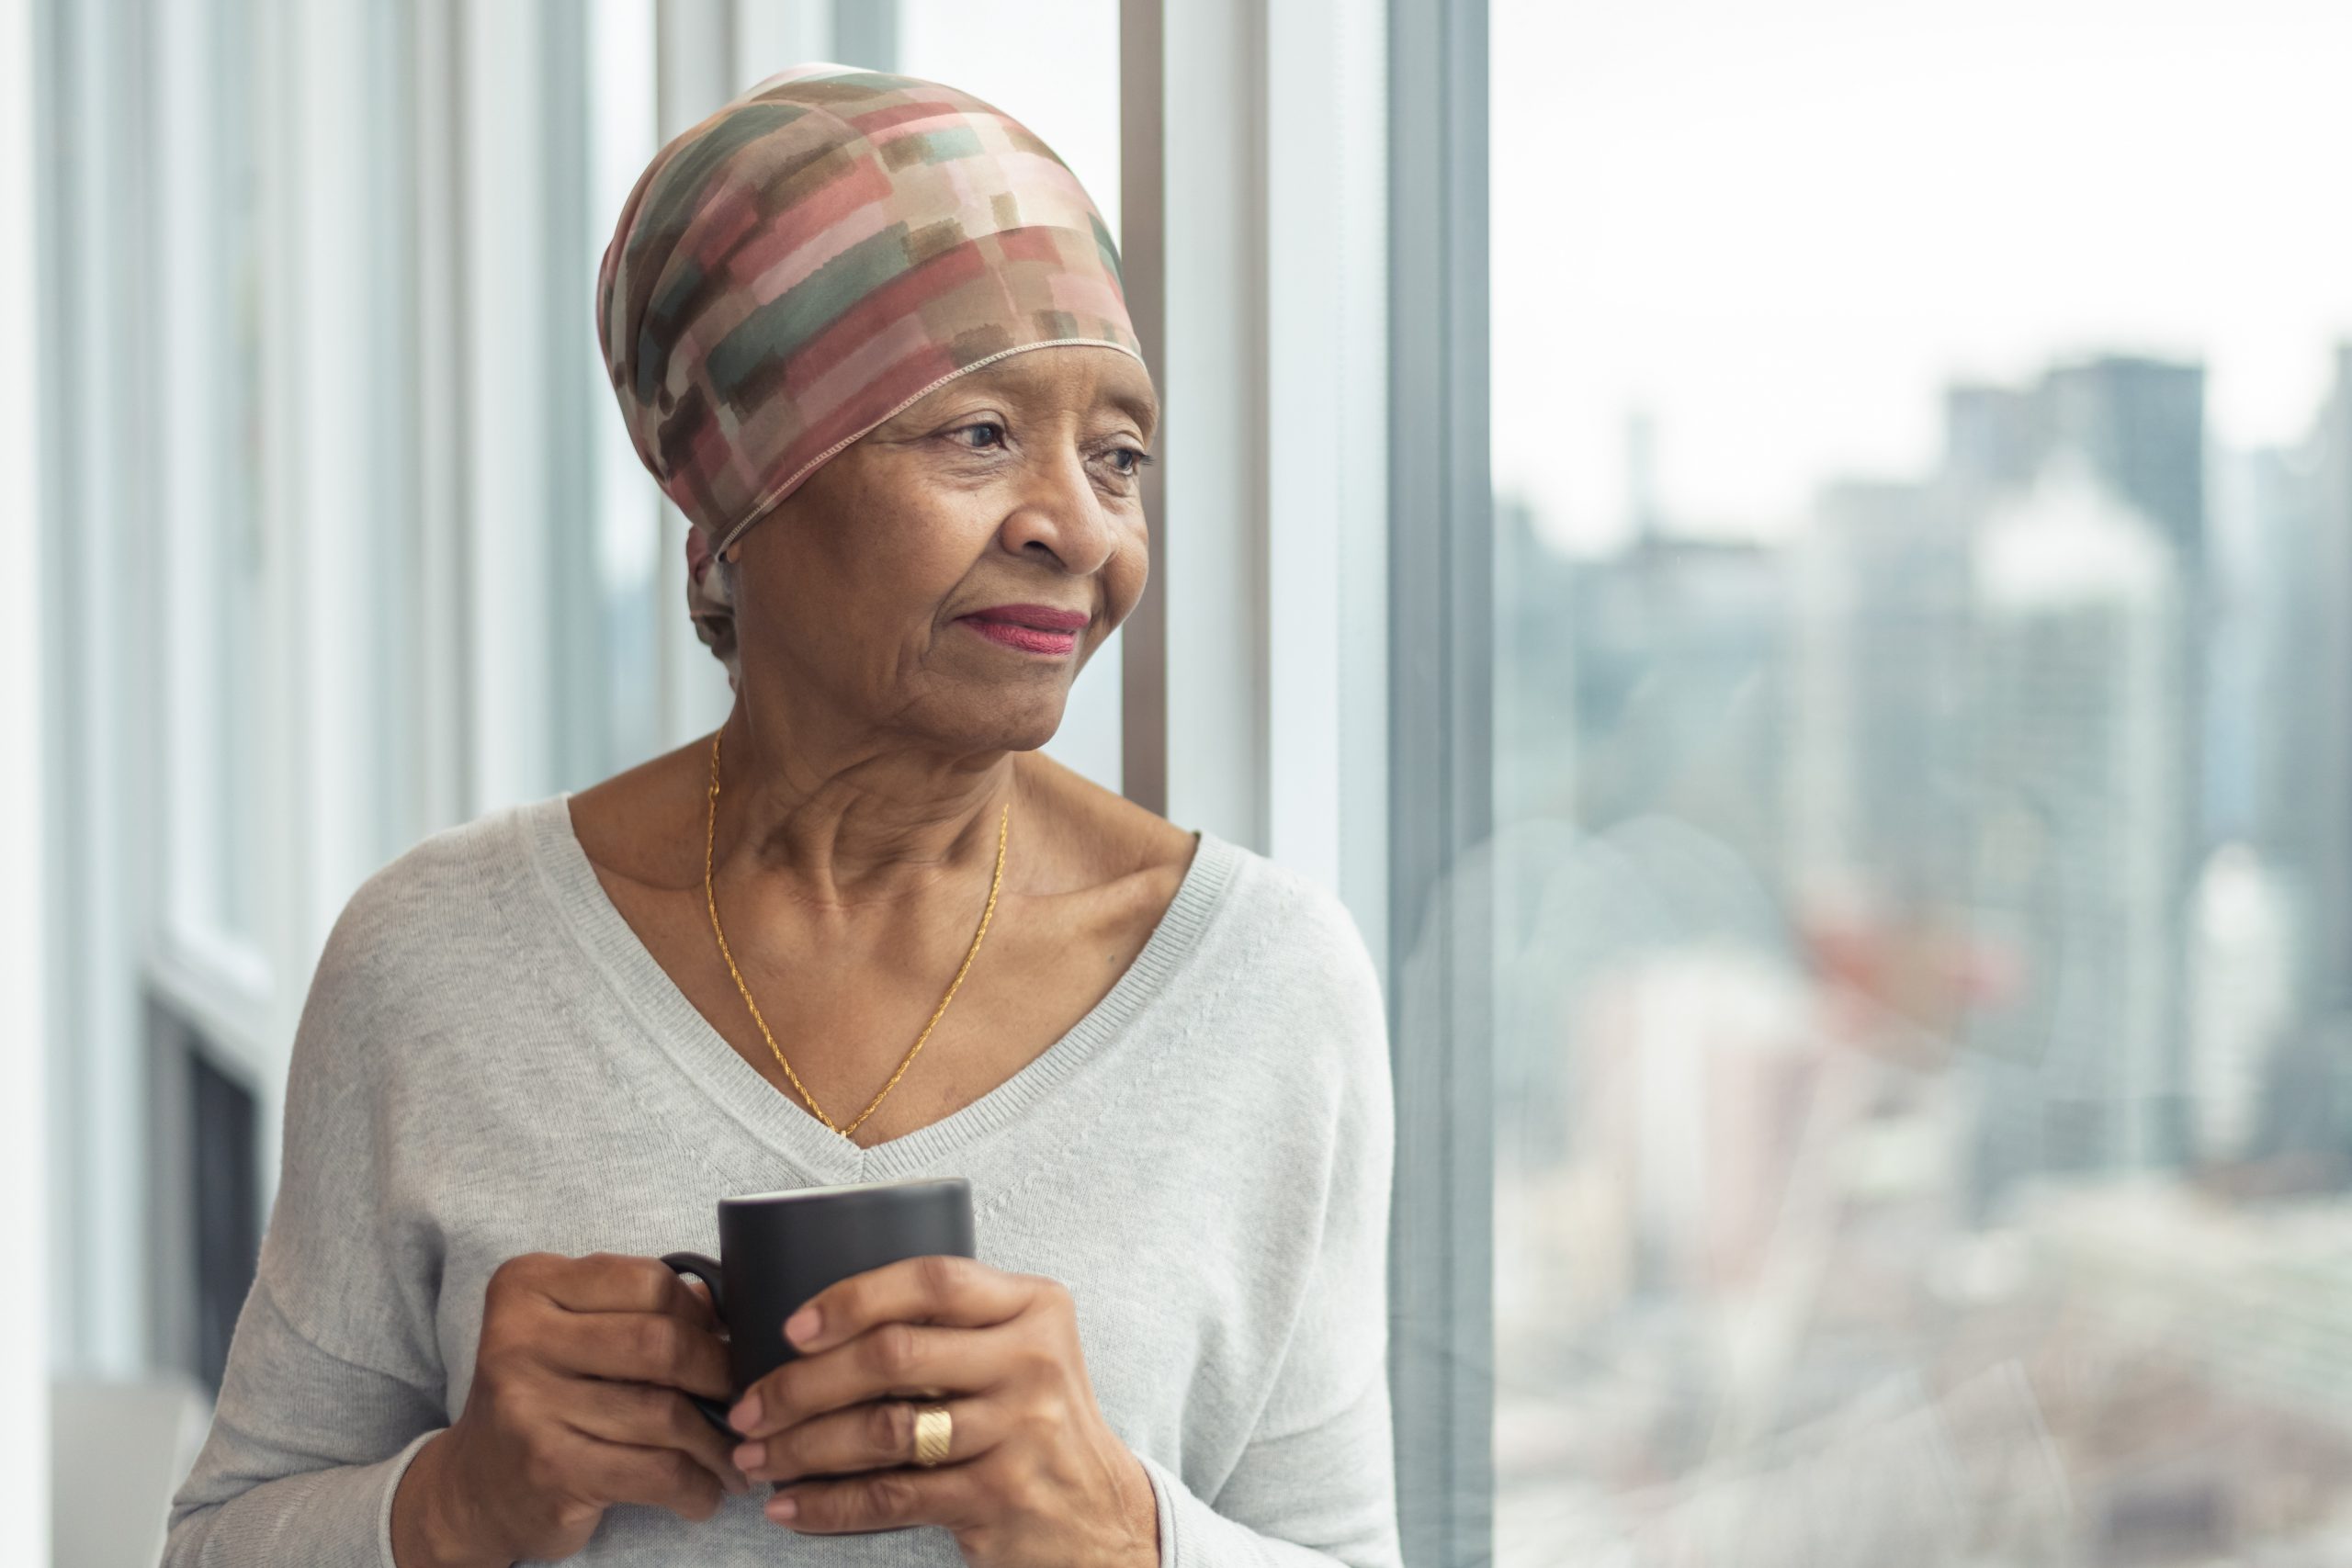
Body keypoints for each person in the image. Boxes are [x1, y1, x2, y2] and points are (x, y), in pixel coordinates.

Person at [164, 62, 1400, 1568]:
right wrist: (456, 1504)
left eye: (1120, 455)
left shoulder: (1268, 985)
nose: (1077, 528)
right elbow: (217, 1539)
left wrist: (1122, 1532)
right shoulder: (433, 961)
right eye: (978, 436)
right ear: (742, 501)